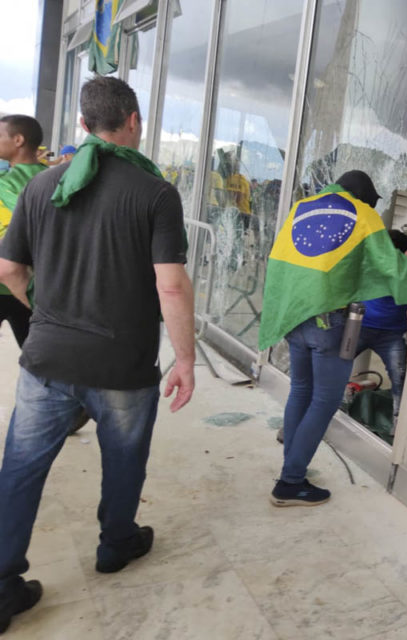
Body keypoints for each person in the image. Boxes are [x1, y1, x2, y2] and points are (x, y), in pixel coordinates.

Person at [0, 76, 195, 633]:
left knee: (19, 471)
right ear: (133, 121)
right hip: (122, 366)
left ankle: (2, 585)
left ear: (83, 126)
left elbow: (9, 269)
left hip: (46, 361)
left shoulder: (41, 186)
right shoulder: (155, 193)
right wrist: (185, 360)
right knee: (124, 458)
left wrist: (40, 309)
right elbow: (172, 287)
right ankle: (115, 544)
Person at [259, 170, 407, 507]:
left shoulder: (302, 208)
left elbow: (279, 262)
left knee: (301, 390)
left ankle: (291, 467)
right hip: (327, 323)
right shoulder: (363, 215)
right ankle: (290, 481)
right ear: (365, 197)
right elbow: (385, 266)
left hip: (294, 318)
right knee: (325, 400)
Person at [355, 229, 407, 425]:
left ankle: (399, 424)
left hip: (392, 334)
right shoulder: (370, 264)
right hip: (361, 327)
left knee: (400, 378)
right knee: (332, 367)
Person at [0, 115, 46, 348]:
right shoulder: (53, 178)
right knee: (36, 357)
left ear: (18, 140)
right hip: (35, 285)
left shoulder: (8, 183)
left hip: (9, 278)